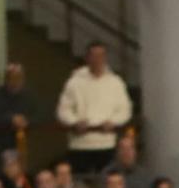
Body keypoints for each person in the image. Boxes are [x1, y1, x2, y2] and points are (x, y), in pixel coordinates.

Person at [57, 42, 134, 176]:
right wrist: (75, 122)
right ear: (87, 58)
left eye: (101, 55)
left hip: (106, 143)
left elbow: (125, 110)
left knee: (106, 183)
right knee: (81, 183)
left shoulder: (115, 82)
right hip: (80, 144)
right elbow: (63, 110)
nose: (97, 59)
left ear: (105, 58)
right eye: (94, 56)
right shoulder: (74, 82)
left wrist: (114, 122)